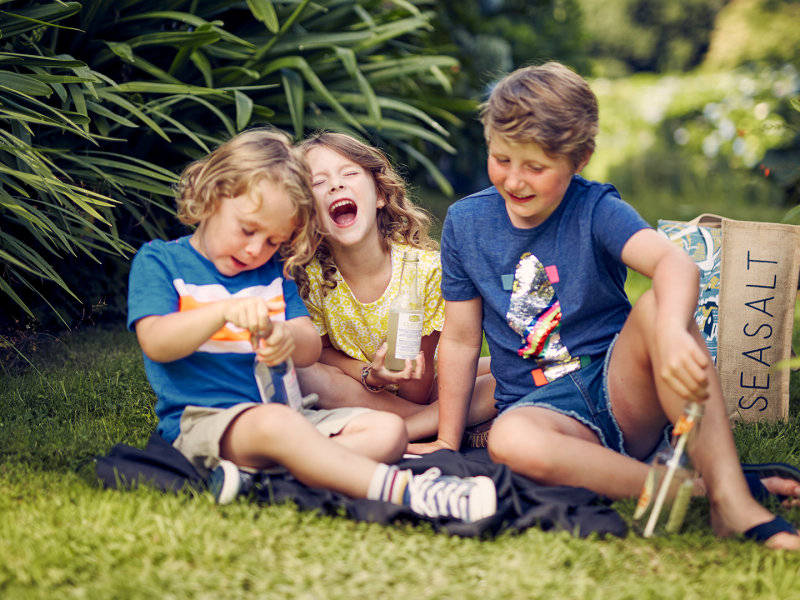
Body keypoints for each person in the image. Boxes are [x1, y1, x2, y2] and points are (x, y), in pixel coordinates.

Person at [413, 62, 800, 549]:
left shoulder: (594, 207)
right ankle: (700, 490)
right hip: (542, 413)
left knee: (662, 303)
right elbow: (462, 339)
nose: (514, 180)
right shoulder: (466, 225)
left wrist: (676, 333)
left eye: (535, 167)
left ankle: (736, 504)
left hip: (620, 388)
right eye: (501, 159)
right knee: (509, 440)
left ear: (580, 159)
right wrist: (449, 441)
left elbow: (675, 264)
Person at [126, 127, 497, 521]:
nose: (256, 249)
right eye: (249, 230)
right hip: (208, 421)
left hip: (294, 415)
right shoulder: (161, 262)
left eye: (272, 241)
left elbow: (305, 346)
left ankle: (264, 479)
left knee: (388, 433)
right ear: (210, 195)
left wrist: (281, 334)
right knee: (277, 421)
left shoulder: (269, 273)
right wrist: (220, 313)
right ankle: (413, 491)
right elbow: (157, 342)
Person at [292, 132, 497, 443]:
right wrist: (369, 374)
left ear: (379, 196)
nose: (335, 185)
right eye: (318, 183)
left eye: (349, 173)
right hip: (357, 388)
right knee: (307, 373)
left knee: (510, 370)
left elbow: (418, 386)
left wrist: (399, 379)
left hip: (426, 389)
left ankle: (414, 427)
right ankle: (441, 421)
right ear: (308, 214)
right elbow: (323, 353)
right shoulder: (311, 278)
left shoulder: (425, 270)